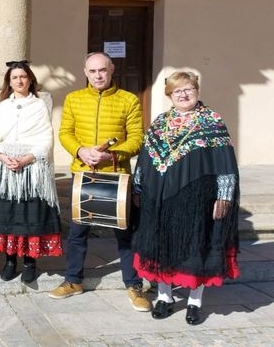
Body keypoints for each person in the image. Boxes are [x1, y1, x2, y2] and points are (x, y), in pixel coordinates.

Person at [132, 71, 240, 325]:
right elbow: (145, 159)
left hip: (197, 199)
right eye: (177, 90)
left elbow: (225, 162)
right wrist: (138, 188)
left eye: (188, 89)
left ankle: (194, 302)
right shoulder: (160, 122)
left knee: (195, 247)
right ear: (170, 94)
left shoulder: (211, 120)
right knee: (161, 246)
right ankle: (164, 297)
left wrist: (224, 196)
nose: (182, 94)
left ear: (197, 91)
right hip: (159, 199)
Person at [50, 52, 151, 312]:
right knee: (77, 232)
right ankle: (73, 280)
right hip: (83, 173)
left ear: (112, 69)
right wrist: (81, 150)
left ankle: (134, 284)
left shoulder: (128, 100)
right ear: (85, 71)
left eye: (102, 70)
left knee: (125, 233)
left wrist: (113, 154)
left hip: (117, 175)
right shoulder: (73, 99)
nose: (98, 75)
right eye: (93, 71)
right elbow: (65, 133)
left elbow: (137, 138)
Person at [0, 61, 62, 284]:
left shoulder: (40, 105)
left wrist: (26, 159)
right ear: (9, 83)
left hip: (32, 168)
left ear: (30, 79)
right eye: (14, 78)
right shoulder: (3, 107)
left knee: (31, 215)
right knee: (8, 215)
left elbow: (46, 139)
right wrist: (3, 157)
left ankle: (30, 262)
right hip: (7, 169)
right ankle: (10, 261)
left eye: (23, 76)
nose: (19, 81)